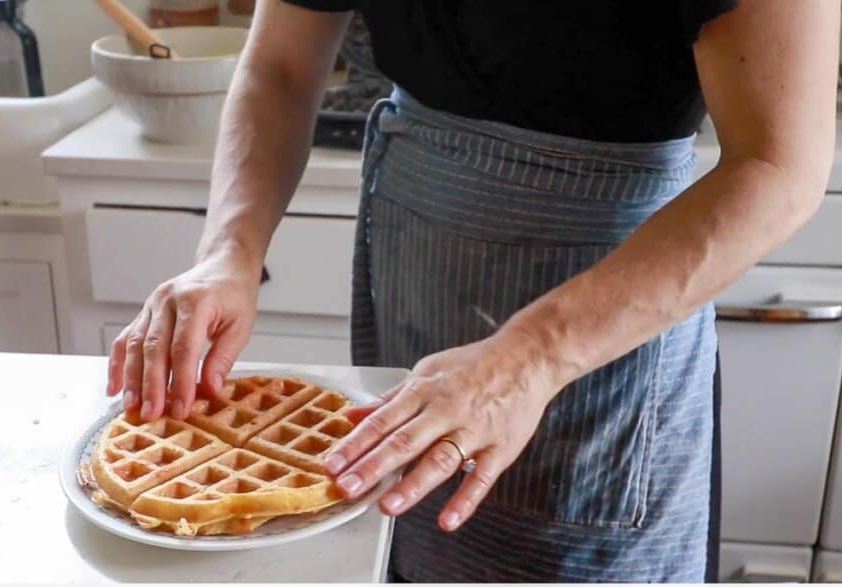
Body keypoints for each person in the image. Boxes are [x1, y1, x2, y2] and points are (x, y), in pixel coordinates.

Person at [105, 0, 839, 581]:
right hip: (413, 267)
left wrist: (531, 356)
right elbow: (280, 67)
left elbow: (778, 168)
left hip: (605, 328)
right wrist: (229, 251)